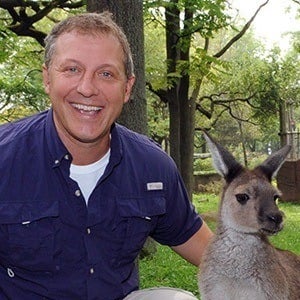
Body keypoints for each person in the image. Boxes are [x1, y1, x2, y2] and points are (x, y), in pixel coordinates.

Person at [0, 12, 213, 300]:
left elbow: (215, 256)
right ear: (47, 78)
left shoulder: (152, 167)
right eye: (72, 69)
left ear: (127, 88)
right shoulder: (5, 159)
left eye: (106, 74)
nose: (87, 88)